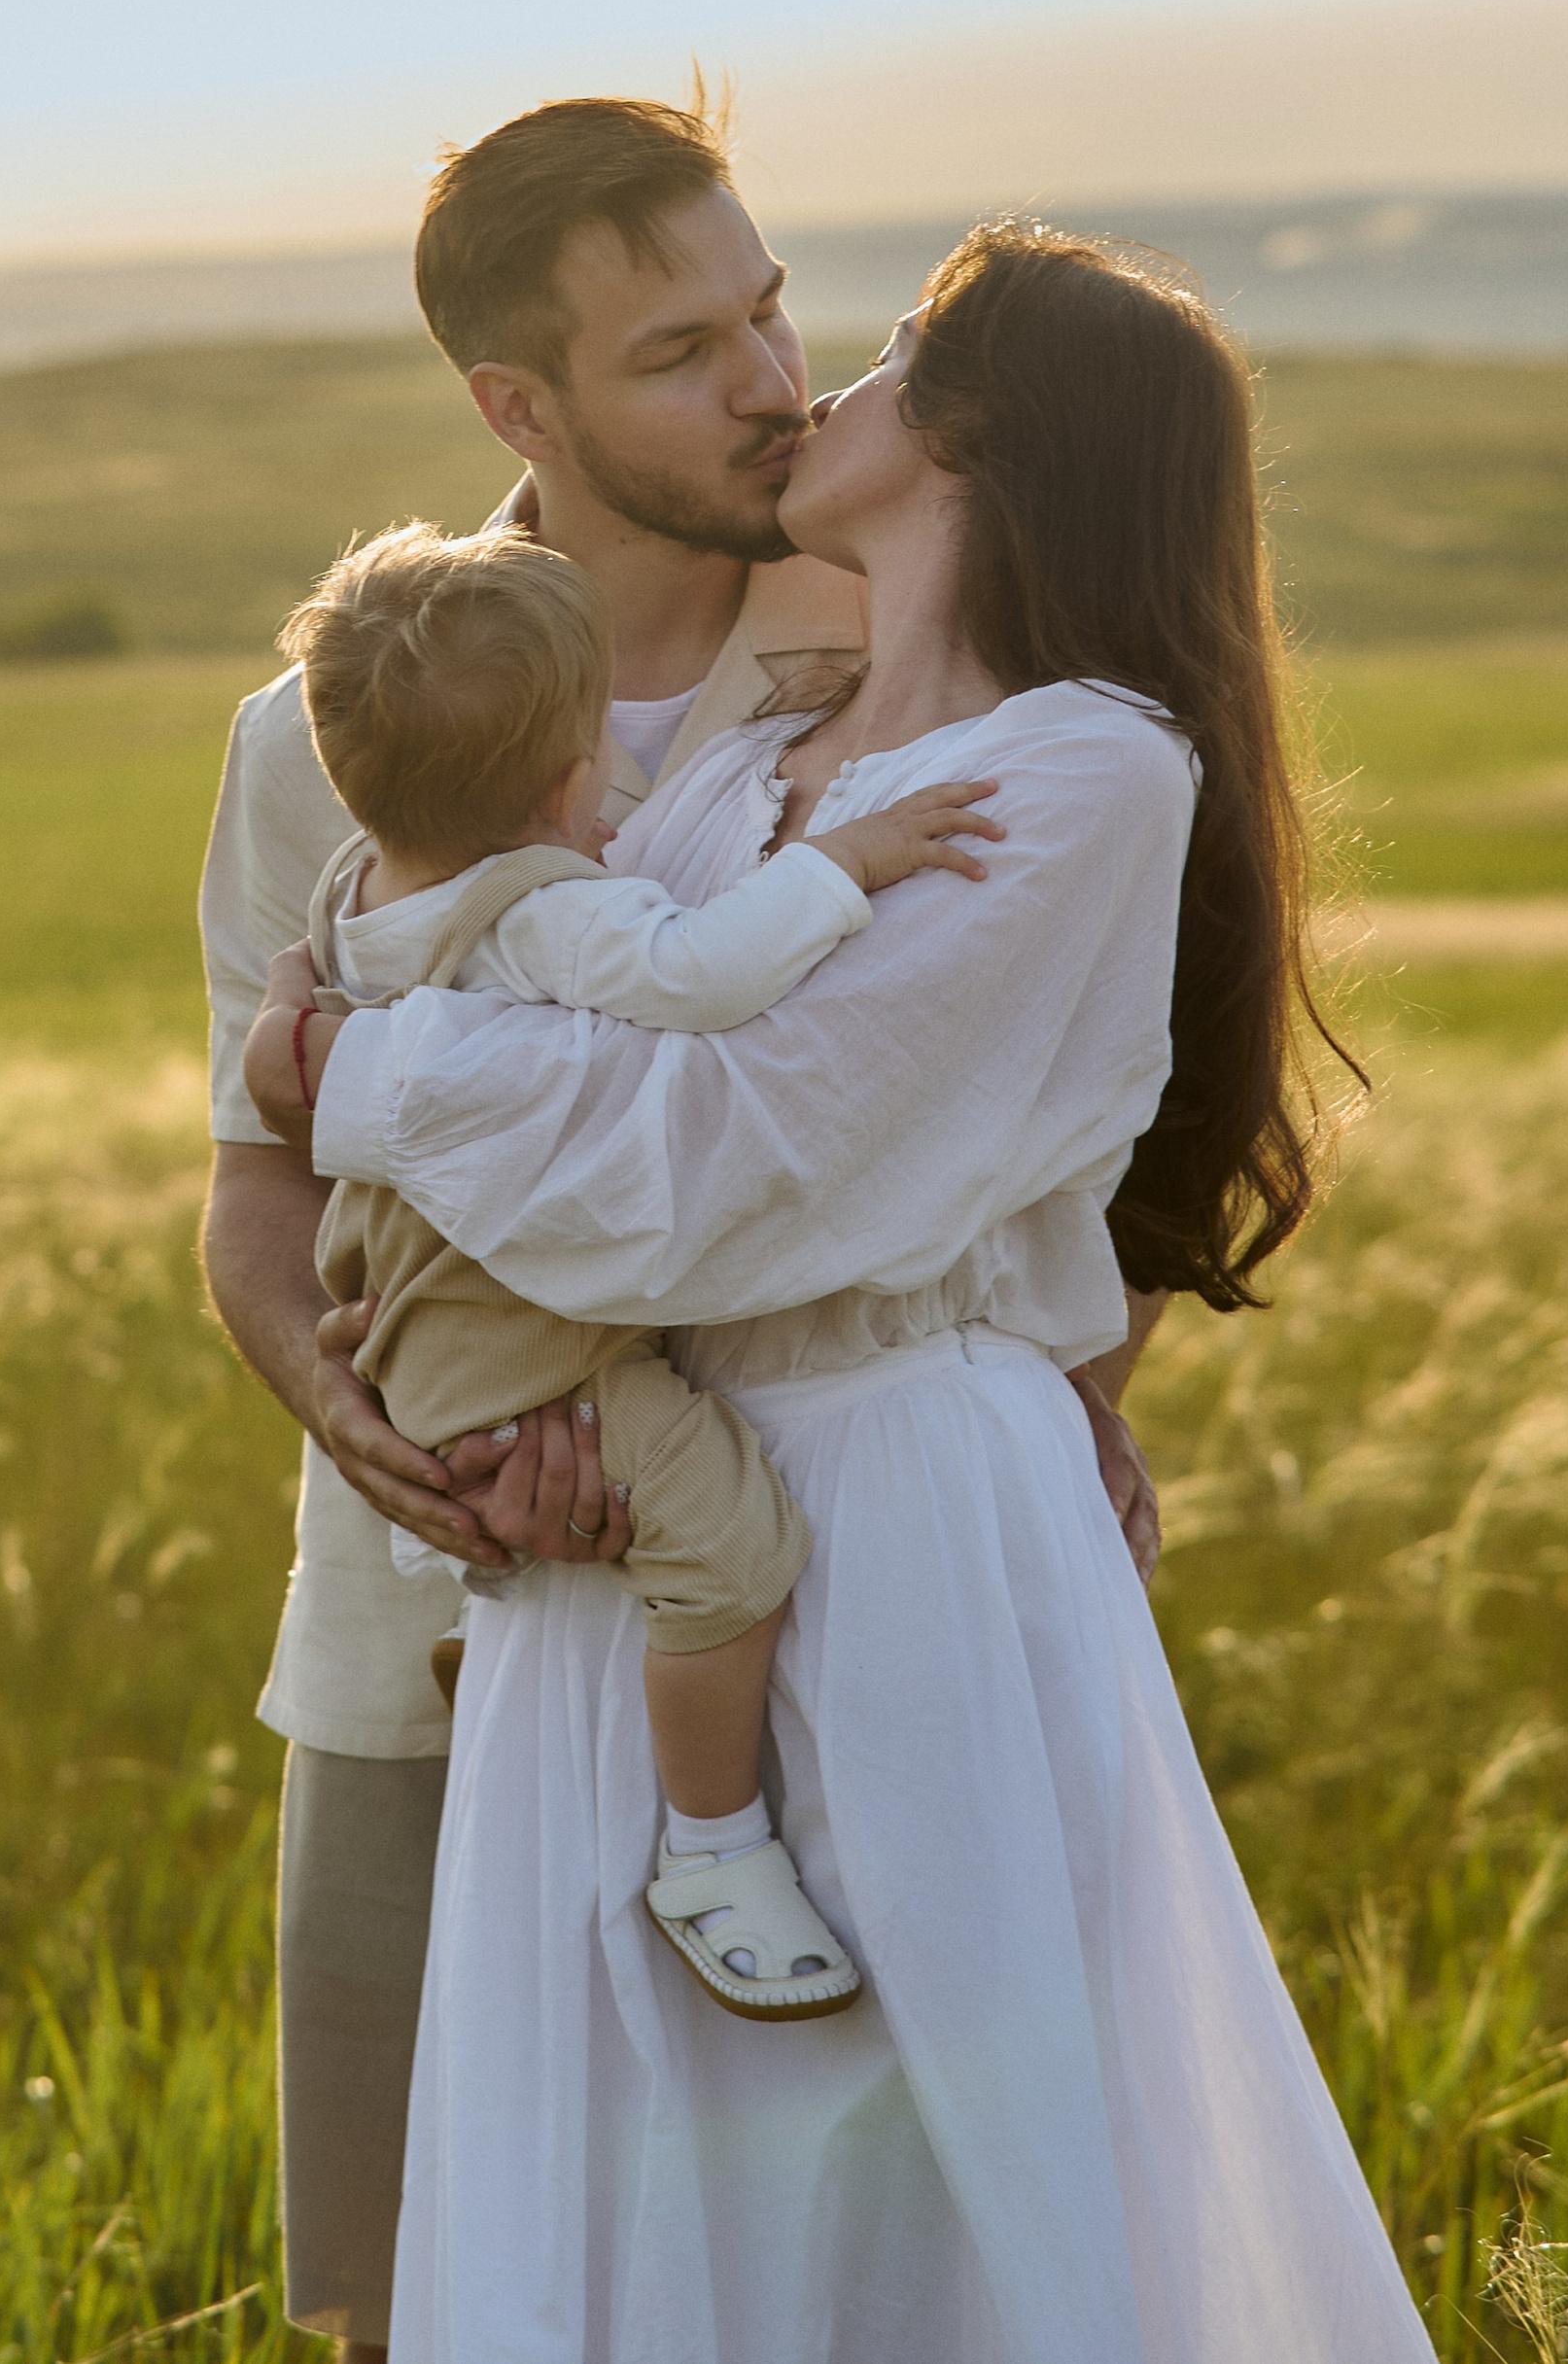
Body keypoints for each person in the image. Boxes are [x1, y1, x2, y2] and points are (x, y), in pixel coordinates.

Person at [251, 222, 1431, 2364]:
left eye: (883, 352)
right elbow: (587, 1104)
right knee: (629, 2196)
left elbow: (724, 1176)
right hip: (618, 1546)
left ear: (977, 439)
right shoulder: (726, 775)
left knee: (909, 2194)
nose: (822, 386)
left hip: (888, 1520)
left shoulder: (1073, 766)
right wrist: (474, 1382)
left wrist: (375, 1080)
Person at [284, 513, 1005, 2022]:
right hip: (532, 1349)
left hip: (411, 1320)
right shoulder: (548, 909)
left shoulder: (353, 898)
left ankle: (491, 1639)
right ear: (567, 787)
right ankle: (711, 1839)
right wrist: (843, 864)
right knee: (736, 1548)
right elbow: (698, 972)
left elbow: (293, 1047)